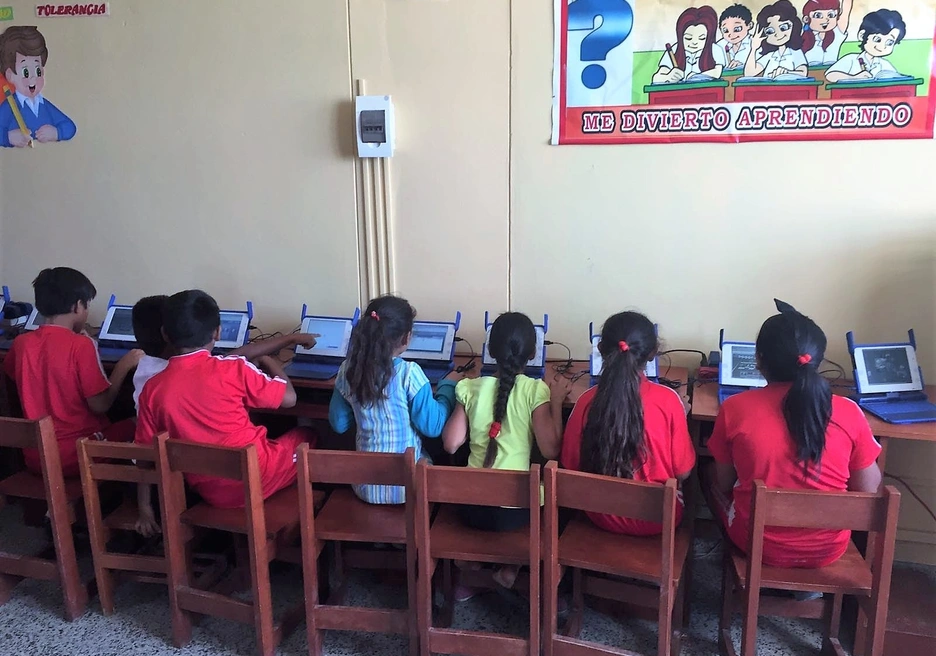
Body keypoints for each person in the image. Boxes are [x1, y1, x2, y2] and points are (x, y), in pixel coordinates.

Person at [706, 302, 882, 568]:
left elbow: (723, 482)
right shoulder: (849, 412)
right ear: (818, 359)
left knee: (707, 473)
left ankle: (723, 564)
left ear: (759, 360)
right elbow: (868, 489)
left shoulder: (735, 408)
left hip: (755, 544)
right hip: (828, 549)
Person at [130, 293, 319, 536]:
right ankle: (300, 527)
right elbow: (290, 399)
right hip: (258, 477)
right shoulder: (233, 369)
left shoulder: (152, 389)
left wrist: (144, 507)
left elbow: (144, 456)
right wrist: (269, 361)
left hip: (210, 491)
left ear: (165, 334)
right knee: (308, 434)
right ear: (218, 332)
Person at [442, 312, 571, 595]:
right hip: (516, 512)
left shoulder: (469, 388)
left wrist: (463, 393)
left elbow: (450, 444)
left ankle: (471, 565)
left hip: (471, 508)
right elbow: (550, 449)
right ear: (533, 354)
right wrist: (556, 402)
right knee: (556, 500)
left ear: (490, 351)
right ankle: (512, 567)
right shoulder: (534, 390)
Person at [561, 312, 695, 535]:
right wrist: (681, 415)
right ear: (653, 353)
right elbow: (684, 472)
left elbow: (570, 464)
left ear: (601, 349)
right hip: (658, 520)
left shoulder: (586, 401)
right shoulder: (669, 402)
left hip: (599, 514)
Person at [2, 268, 142, 477]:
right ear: (77, 306)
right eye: (87, 305)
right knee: (138, 422)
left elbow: (19, 376)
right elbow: (100, 405)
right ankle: (119, 493)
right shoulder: (81, 346)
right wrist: (123, 365)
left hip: (35, 456)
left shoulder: (21, 343)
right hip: (77, 454)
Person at [329, 295, 457, 504]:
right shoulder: (409, 373)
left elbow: (339, 424)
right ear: (406, 338)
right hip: (409, 487)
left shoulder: (348, 371)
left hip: (365, 487)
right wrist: (447, 388)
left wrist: (362, 407)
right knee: (431, 458)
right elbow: (433, 427)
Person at [0, 26, 76, 148]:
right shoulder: (10, 105)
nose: (33, 78)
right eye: (25, 72)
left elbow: (70, 126)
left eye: (38, 71)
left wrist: (57, 132)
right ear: (10, 75)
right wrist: (7, 137)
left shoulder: (43, 104)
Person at [825, 9, 906, 82]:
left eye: (890, 43)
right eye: (877, 39)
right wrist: (853, 77)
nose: (882, 46)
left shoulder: (885, 64)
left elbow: (897, 79)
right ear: (862, 35)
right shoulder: (851, 59)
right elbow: (830, 75)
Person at [652, 6, 723, 84]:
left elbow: (717, 73)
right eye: (688, 38)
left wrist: (696, 76)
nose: (694, 42)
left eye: (702, 38)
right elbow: (656, 78)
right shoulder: (675, 49)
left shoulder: (715, 49)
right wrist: (668, 77)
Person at [745, 0, 808, 79]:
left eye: (783, 28)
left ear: (794, 26)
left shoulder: (795, 52)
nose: (777, 34)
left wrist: (787, 72)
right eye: (770, 31)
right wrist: (753, 48)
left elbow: (803, 72)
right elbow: (749, 73)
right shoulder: (770, 55)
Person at [801, 0, 853, 66]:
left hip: (832, 71)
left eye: (831, 15)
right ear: (806, 19)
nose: (826, 19)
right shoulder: (804, 37)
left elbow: (846, 8)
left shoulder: (837, 33)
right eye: (818, 15)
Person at [715, 4, 755, 70]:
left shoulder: (754, 43)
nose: (731, 35)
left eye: (737, 29)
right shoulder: (720, 46)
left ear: (749, 25)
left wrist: (742, 66)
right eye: (725, 30)